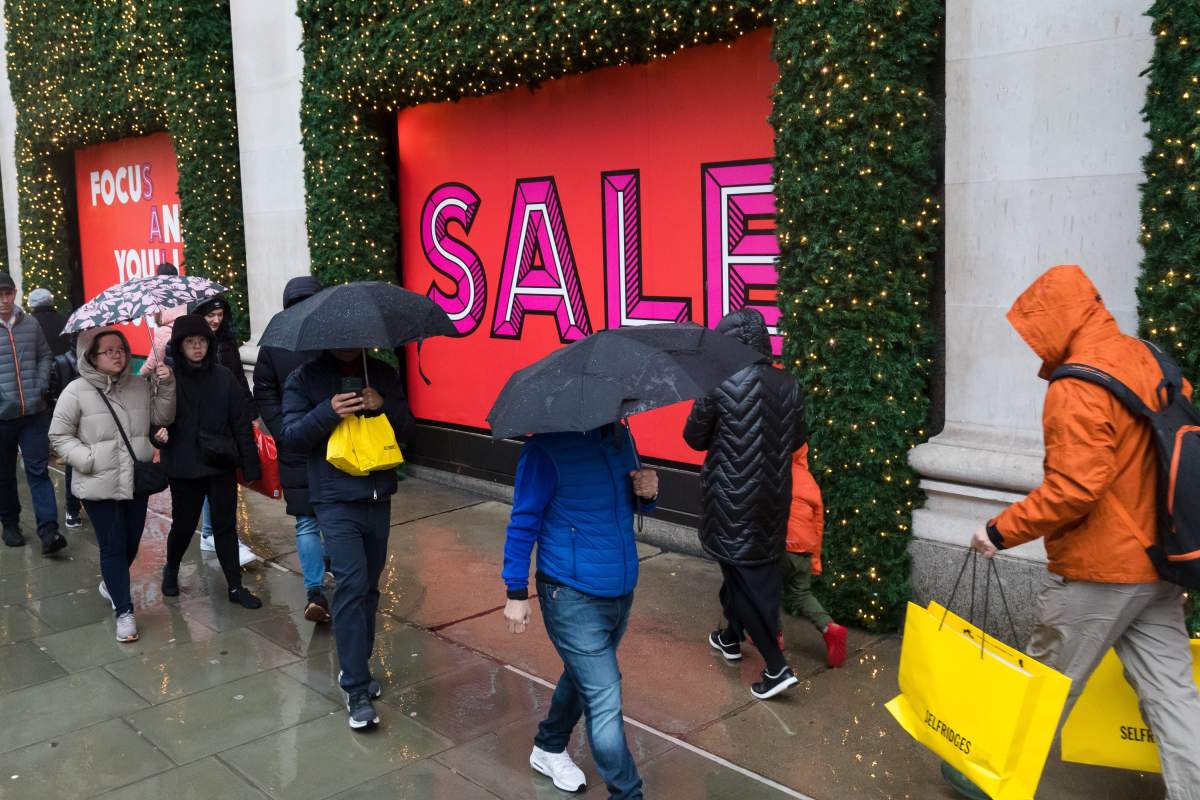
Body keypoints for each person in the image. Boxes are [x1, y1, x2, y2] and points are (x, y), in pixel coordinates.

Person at [959, 265, 1200, 800]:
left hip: (1100, 569)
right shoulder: (1149, 357)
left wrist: (998, 531)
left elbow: (1074, 490)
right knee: (1174, 697)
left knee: (1039, 694)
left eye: (1033, 330)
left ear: (1055, 321)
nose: (1030, 344)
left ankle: (992, 786)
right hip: (1160, 560)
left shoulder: (1078, 384)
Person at [502, 424, 659, 799]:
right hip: (570, 592)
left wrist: (650, 492)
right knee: (605, 696)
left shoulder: (622, 438)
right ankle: (628, 793)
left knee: (582, 675)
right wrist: (516, 591)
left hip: (619, 588)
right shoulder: (544, 449)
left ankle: (548, 746)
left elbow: (629, 502)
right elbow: (523, 521)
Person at [282, 347, 415, 730]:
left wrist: (382, 404)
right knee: (351, 585)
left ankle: (357, 664)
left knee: (369, 588)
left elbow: (409, 431)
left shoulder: (382, 374)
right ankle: (356, 687)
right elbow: (291, 437)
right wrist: (328, 411)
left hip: (379, 495)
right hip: (335, 498)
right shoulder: (304, 378)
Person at [683, 307, 807, 700]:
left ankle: (776, 666)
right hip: (773, 495)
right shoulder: (789, 383)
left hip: (731, 496)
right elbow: (798, 437)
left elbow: (694, 438)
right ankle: (730, 637)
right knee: (753, 570)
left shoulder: (718, 383)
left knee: (741, 577)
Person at [48, 327, 175, 642]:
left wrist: (166, 384)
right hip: (97, 481)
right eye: (109, 350)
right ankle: (124, 611)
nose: (118, 355)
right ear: (91, 356)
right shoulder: (76, 391)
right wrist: (87, 458)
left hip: (135, 479)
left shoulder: (139, 385)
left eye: (121, 348)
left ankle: (111, 582)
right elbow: (58, 435)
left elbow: (161, 417)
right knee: (113, 544)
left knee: (131, 542)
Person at [156, 314, 262, 609]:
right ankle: (172, 568)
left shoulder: (223, 377)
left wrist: (250, 465)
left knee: (226, 526)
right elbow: (155, 421)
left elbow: (240, 423)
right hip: (184, 466)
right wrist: (157, 436)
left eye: (201, 341)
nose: (197, 347)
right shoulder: (169, 378)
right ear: (180, 346)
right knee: (184, 525)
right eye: (190, 342)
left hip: (219, 463)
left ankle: (235, 586)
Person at [253, 275, 330, 623]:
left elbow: (264, 392)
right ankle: (337, 576)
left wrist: (283, 429)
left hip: (294, 441)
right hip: (334, 440)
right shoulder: (333, 335)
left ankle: (315, 589)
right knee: (334, 516)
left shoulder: (274, 343)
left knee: (306, 520)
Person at [189, 293, 258, 567]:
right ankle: (216, 534)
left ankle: (211, 532)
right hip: (205, 424)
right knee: (215, 479)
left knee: (224, 478)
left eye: (219, 315)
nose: (216, 320)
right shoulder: (189, 344)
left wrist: (251, 414)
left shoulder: (227, 342)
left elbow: (240, 378)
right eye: (210, 315)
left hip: (230, 420)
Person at [0, 273, 64, 554]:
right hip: (2, 417)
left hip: (34, 412)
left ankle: (49, 531)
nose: (4, 300)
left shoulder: (31, 323)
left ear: (15, 293)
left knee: (37, 470)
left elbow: (45, 356)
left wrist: (38, 386)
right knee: (4, 474)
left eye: (7, 294)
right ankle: (10, 523)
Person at [780, 444, 848, 668]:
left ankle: (772, 634)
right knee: (802, 593)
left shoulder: (775, 472)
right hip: (804, 550)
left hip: (779, 547)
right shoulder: (809, 482)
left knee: (766, 591)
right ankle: (829, 627)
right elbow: (818, 525)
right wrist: (814, 561)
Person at [48, 335, 83, 528]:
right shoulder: (62, 362)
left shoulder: (96, 360)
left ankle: (73, 509)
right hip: (72, 421)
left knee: (74, 465)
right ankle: (72, 508)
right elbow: (52, 393)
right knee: (73, 465)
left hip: (84, 419)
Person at [139, 262, 185, 379]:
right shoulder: (186, 306)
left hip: (173, 383)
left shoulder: (165, 329)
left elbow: (152, 364)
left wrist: (139, 376)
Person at [27, 288, 68, 357]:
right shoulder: (65, 320)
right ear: (51, 301)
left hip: (40, 365)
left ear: (31, 304)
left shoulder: (28, 323)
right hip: (64, 364)